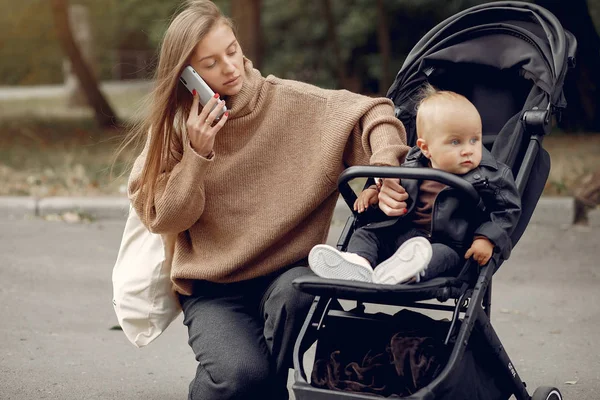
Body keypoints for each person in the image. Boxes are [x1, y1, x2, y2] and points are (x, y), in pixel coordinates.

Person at [123, 1, 411, 399]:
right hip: (213, 289)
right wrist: (196, 156)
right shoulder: (175, 131)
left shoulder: (291, 103)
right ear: (187, 77)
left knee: (298, 295)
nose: (230, 67)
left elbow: (372, 112)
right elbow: (166, 218)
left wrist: (383, 163)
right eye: (210, 64)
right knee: (241, 377)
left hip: (287, 275)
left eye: (232, 49)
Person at [308, 85, 522, 285]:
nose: (468, 149)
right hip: (404, 234)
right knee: (366, 234)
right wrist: (374, 192)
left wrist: (487, 238)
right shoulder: (410, 164)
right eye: (456, 142)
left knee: (437, 255)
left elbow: (507, 210)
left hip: (449, 244)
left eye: (475, 140)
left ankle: (407, 273)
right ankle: (359, 265)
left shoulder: (488, 175)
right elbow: (392, 187)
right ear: (426, 148)